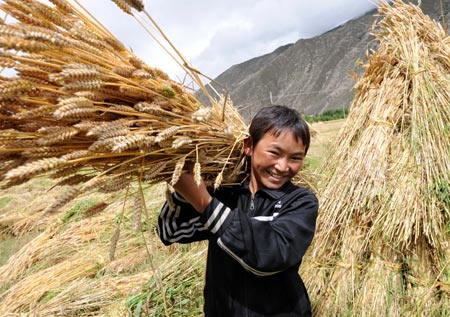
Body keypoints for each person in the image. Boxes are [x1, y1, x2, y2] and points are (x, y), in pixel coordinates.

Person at [157, 105, 318, 316]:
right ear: (249, 146)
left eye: (295, 158)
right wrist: (185, 194)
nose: (282, 166)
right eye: (274, 153)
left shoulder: (300, 201)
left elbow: (271, 256)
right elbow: (170, 232)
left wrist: (205, 203)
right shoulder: (226, 195)